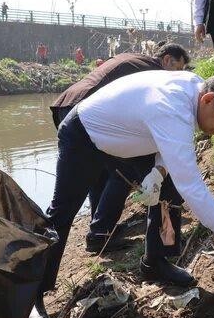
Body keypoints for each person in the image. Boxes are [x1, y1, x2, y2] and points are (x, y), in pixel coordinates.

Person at [27, 72, 214, 318]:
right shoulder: (172, 106)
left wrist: (158, 173)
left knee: (169, 186)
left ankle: (155, 261)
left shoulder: (193, 93)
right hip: (84, 134)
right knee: (61, 214)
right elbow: (193, 187)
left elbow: (167, 140)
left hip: (129, 138)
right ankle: (31, 295)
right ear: (208, 100)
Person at [50, 44, 190, 252]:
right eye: (178, 70)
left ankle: (100, 231)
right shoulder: (154, 74)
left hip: (70, 107)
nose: (178, 77)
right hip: (86, 112)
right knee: (123, 172)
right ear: (168, 60)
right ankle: (100, 233)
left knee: (99, 172)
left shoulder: (134, 59)